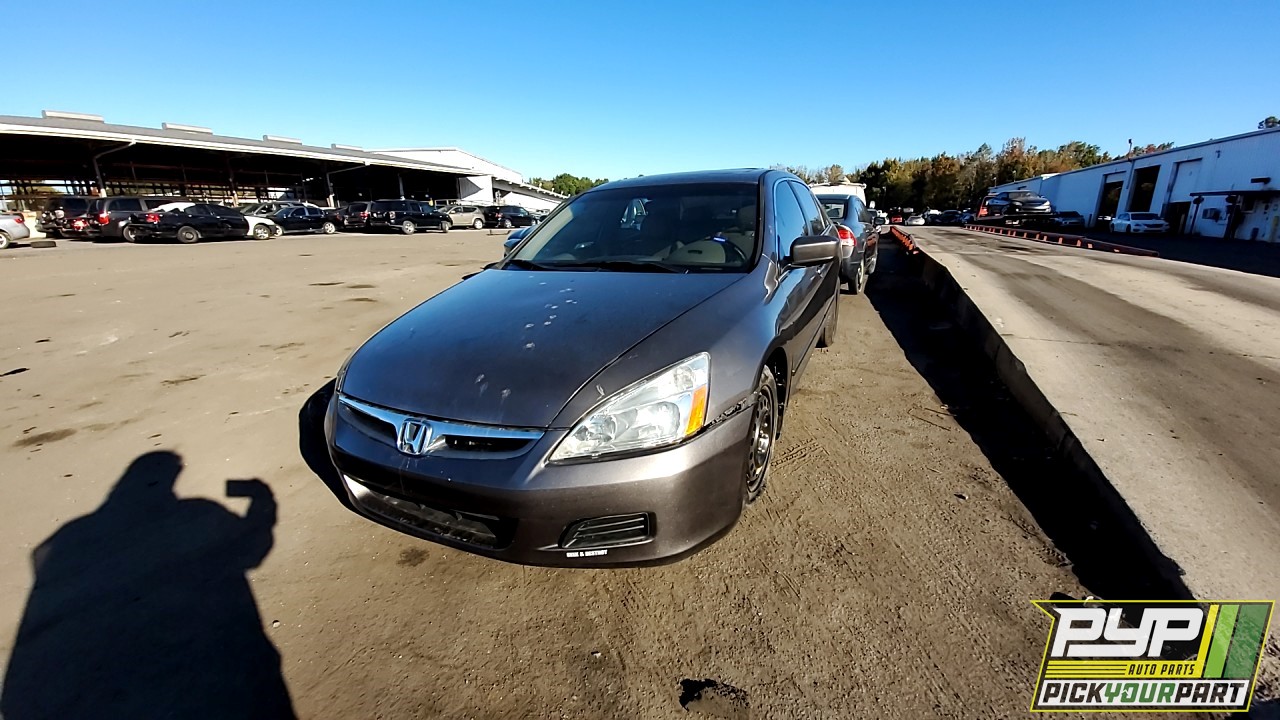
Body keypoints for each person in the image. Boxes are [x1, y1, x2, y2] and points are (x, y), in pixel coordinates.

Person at [1, 452, 296, 720]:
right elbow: (252, 550)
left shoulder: (70, 538)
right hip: (217, 669)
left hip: (113, 683)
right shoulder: (198, 513)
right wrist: (263, 503)